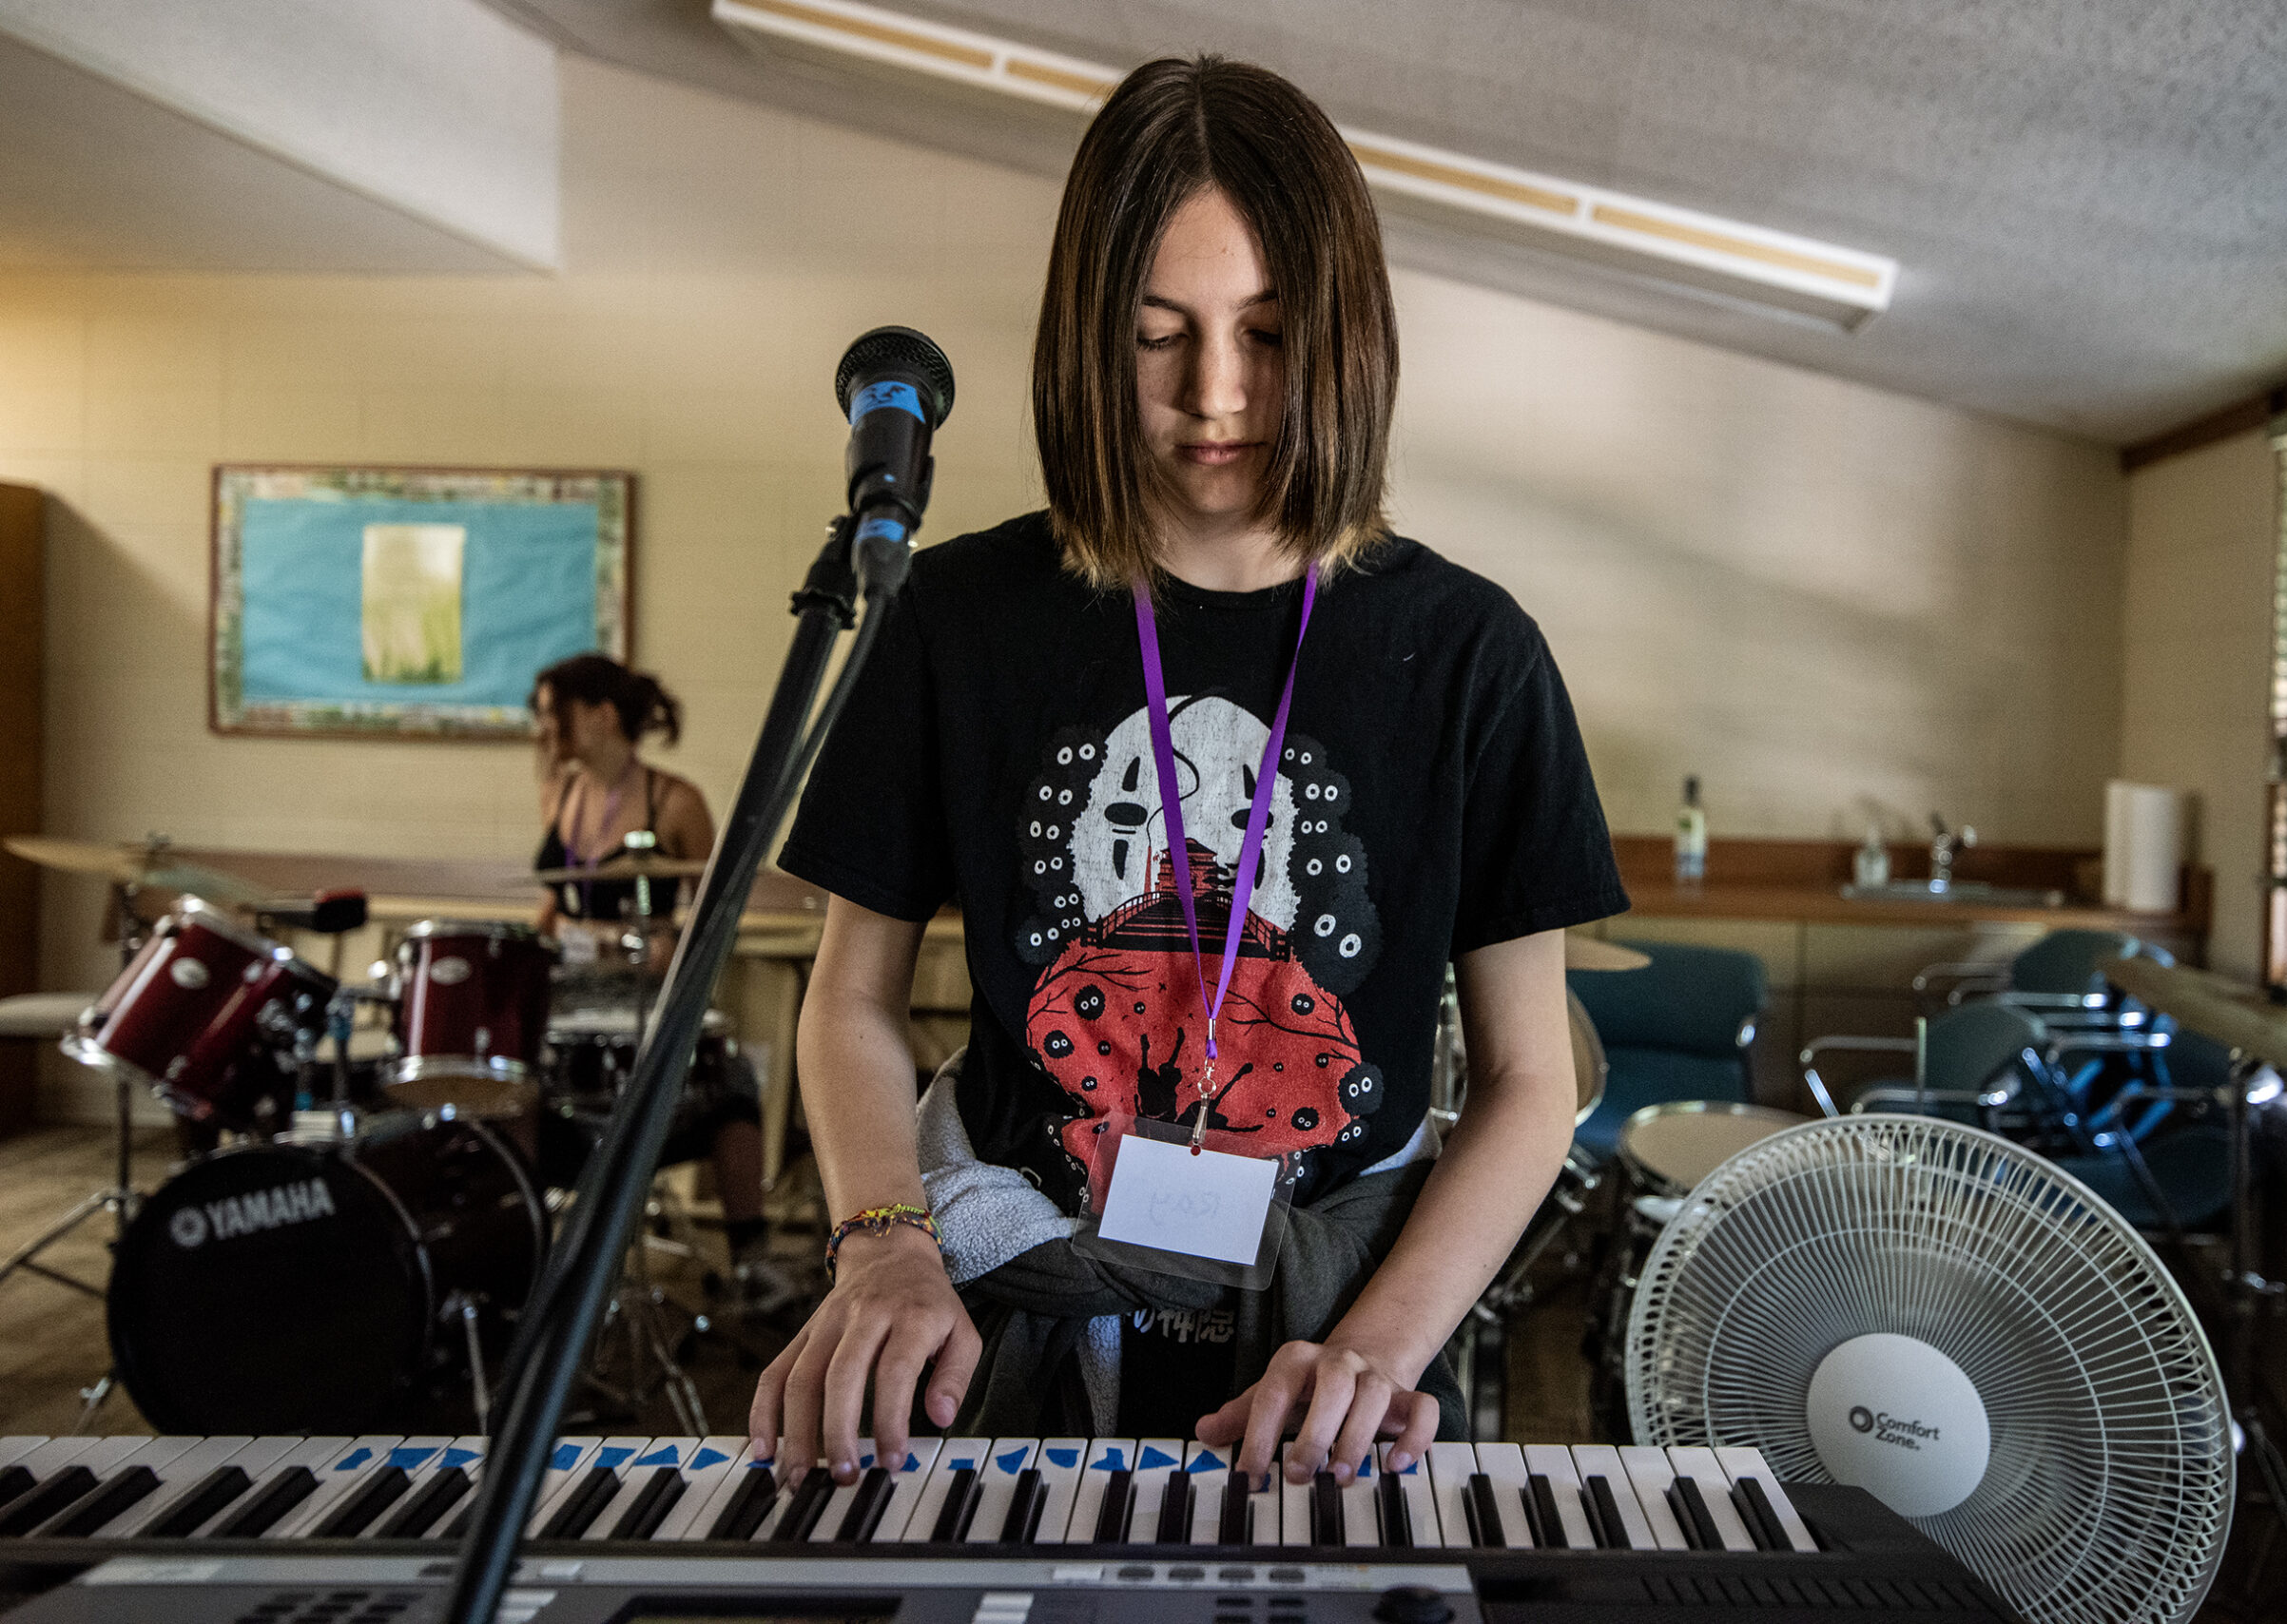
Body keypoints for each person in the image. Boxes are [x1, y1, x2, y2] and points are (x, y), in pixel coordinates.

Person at [755, 56, 1625, 1491]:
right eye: (1159, 338)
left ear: (1347, 336)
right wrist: (884, 1242)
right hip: (1004, 1319)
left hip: (1337, 1338)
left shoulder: (1472, 651)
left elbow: (1532, 1081)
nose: (1216, 395)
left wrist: (1379, 1350)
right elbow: (850, 994)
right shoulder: (956, 618)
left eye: (1269, 332)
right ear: (1088, 341)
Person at [530, 653, 784, 1299]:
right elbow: (551, 913)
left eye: (550, 713)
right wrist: (577, 941)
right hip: (574, 998)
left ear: (601, 716)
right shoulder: (559, 792)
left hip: (652, 992)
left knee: (731, 1077)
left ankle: (751, 1257)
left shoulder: (676, 802)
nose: (540, 728)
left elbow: (710, 924)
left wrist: (649, 947)